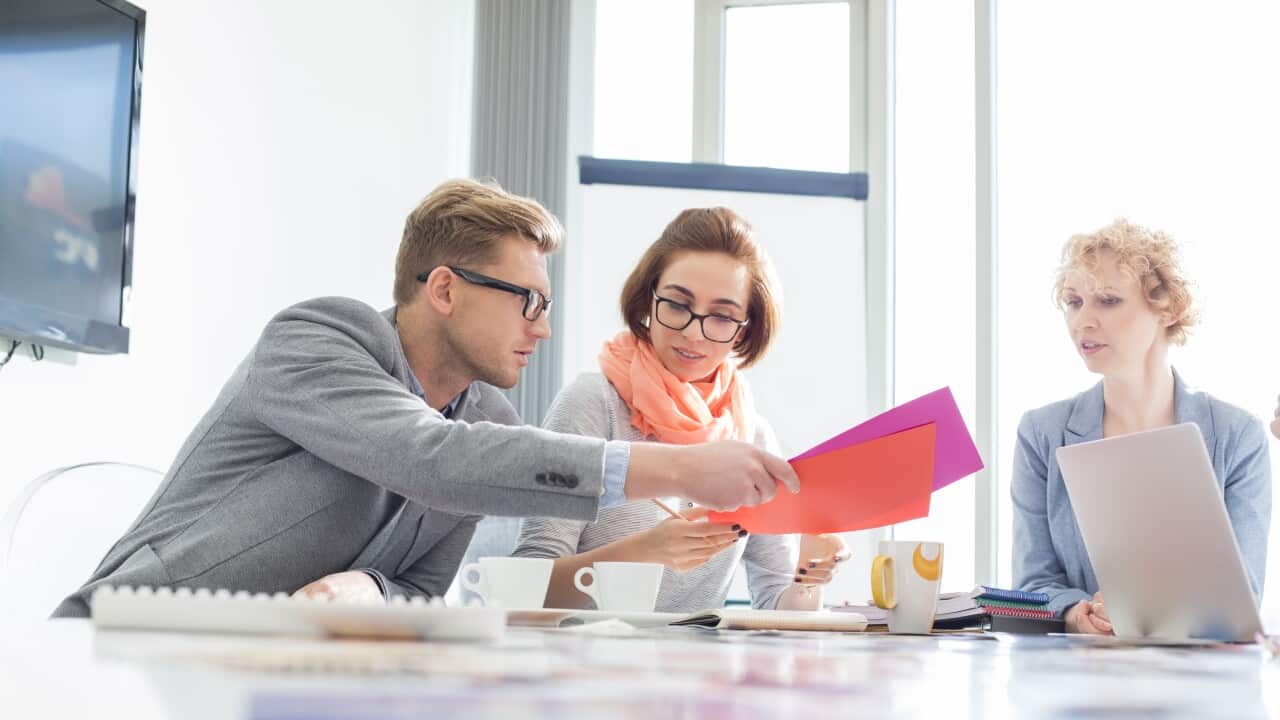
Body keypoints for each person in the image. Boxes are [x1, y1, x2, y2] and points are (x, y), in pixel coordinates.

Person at [53, 180, 799, 617]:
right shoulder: (316, 338)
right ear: (444, 288)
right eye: (527, 302)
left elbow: (418, 586)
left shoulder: (486, 424)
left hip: (273, 683)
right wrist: (680, 470)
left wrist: (366, 585)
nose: (544, 327)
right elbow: (427, 458)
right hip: (122, 648)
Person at [513, 208, 846, 612]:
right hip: (589, 664)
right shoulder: (592, 403)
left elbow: (778, 604)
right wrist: (645, 552)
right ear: (648, 300)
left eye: (722, 316)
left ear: (745, 328)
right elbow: (524, 585)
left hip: (700, 670)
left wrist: (807, 574)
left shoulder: (752, 437)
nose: (692, 332)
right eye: (677, 304)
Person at [1011, 218, 1271, 634]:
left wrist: (1146, 613)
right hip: (1076, 679)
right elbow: (1032, 582)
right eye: (1074, 302)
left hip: (1199, 683)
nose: (1083, 321)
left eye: (1108, 300)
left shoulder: (1237, 436)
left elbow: (1243, 595)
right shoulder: (1042, 433)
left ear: (1167, 309)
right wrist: (1079, 615)